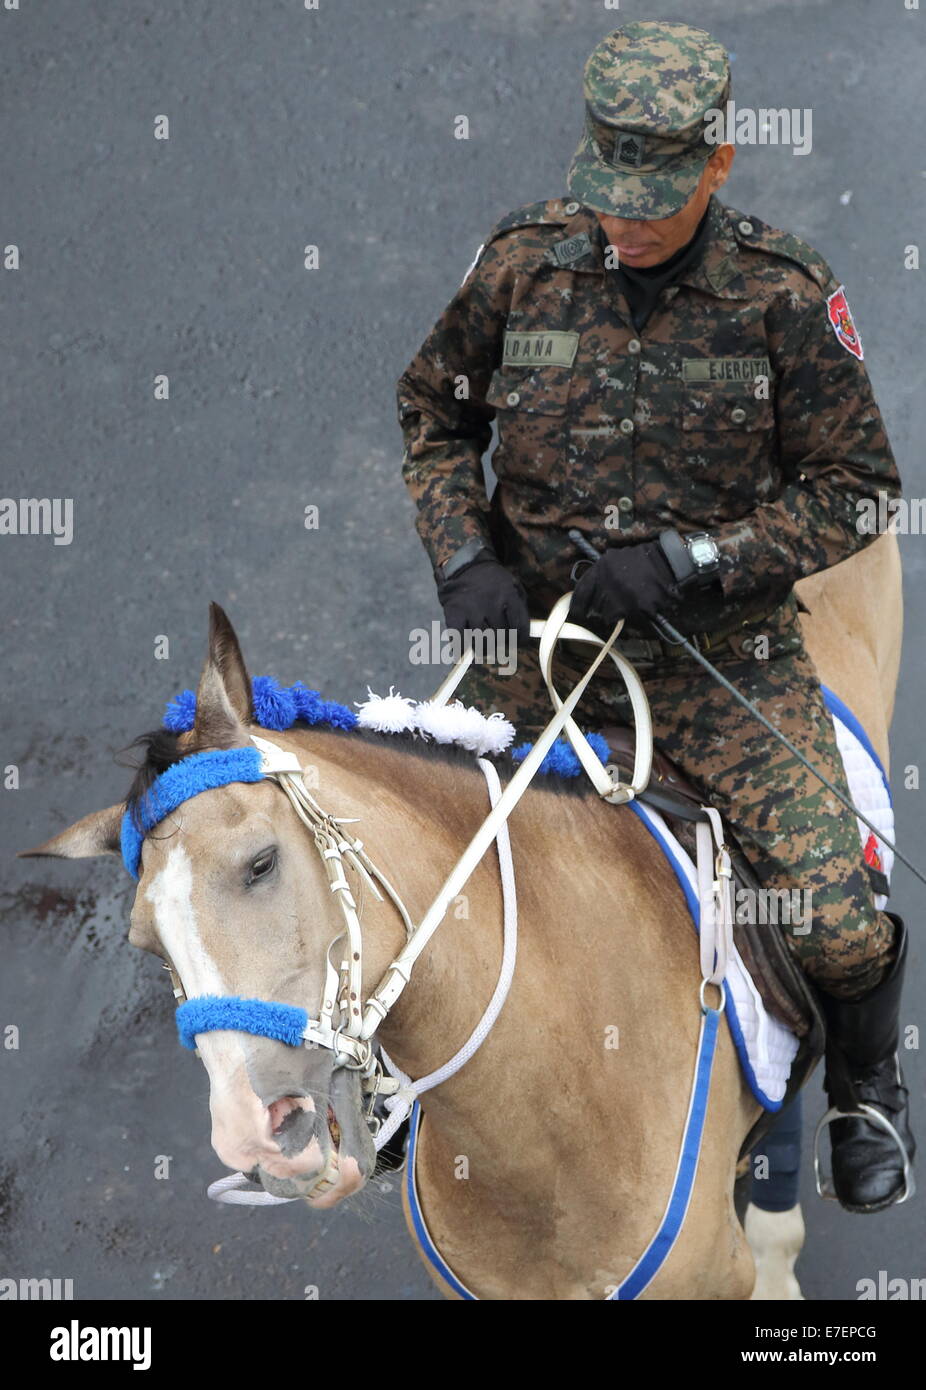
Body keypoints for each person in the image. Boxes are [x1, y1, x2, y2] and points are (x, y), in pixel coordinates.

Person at [396, 20, 913, 1213]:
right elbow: (433, 413)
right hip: (537, 649)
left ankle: (863, 1087)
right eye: (609, 193)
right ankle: (390, 1094)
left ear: (717, 165)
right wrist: (463, 558)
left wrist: (696, 559)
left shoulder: (784, 296)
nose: (622, 223)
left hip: (714, 653)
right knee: (408, 865)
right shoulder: (521, 264)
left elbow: (857, 492)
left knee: (832, 912)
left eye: (654, 199)